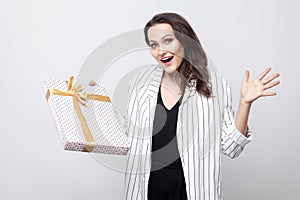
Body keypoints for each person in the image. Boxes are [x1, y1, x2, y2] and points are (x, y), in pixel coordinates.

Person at [90, 12, 280, 200]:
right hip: (148, 186)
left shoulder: (214, 85)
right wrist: (100, 103)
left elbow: (232, 147)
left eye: (167, 41)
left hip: (193, 189)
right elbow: (127, 133)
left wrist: (245, 103)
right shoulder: (140, 81)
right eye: (154, 45)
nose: (161, 51)